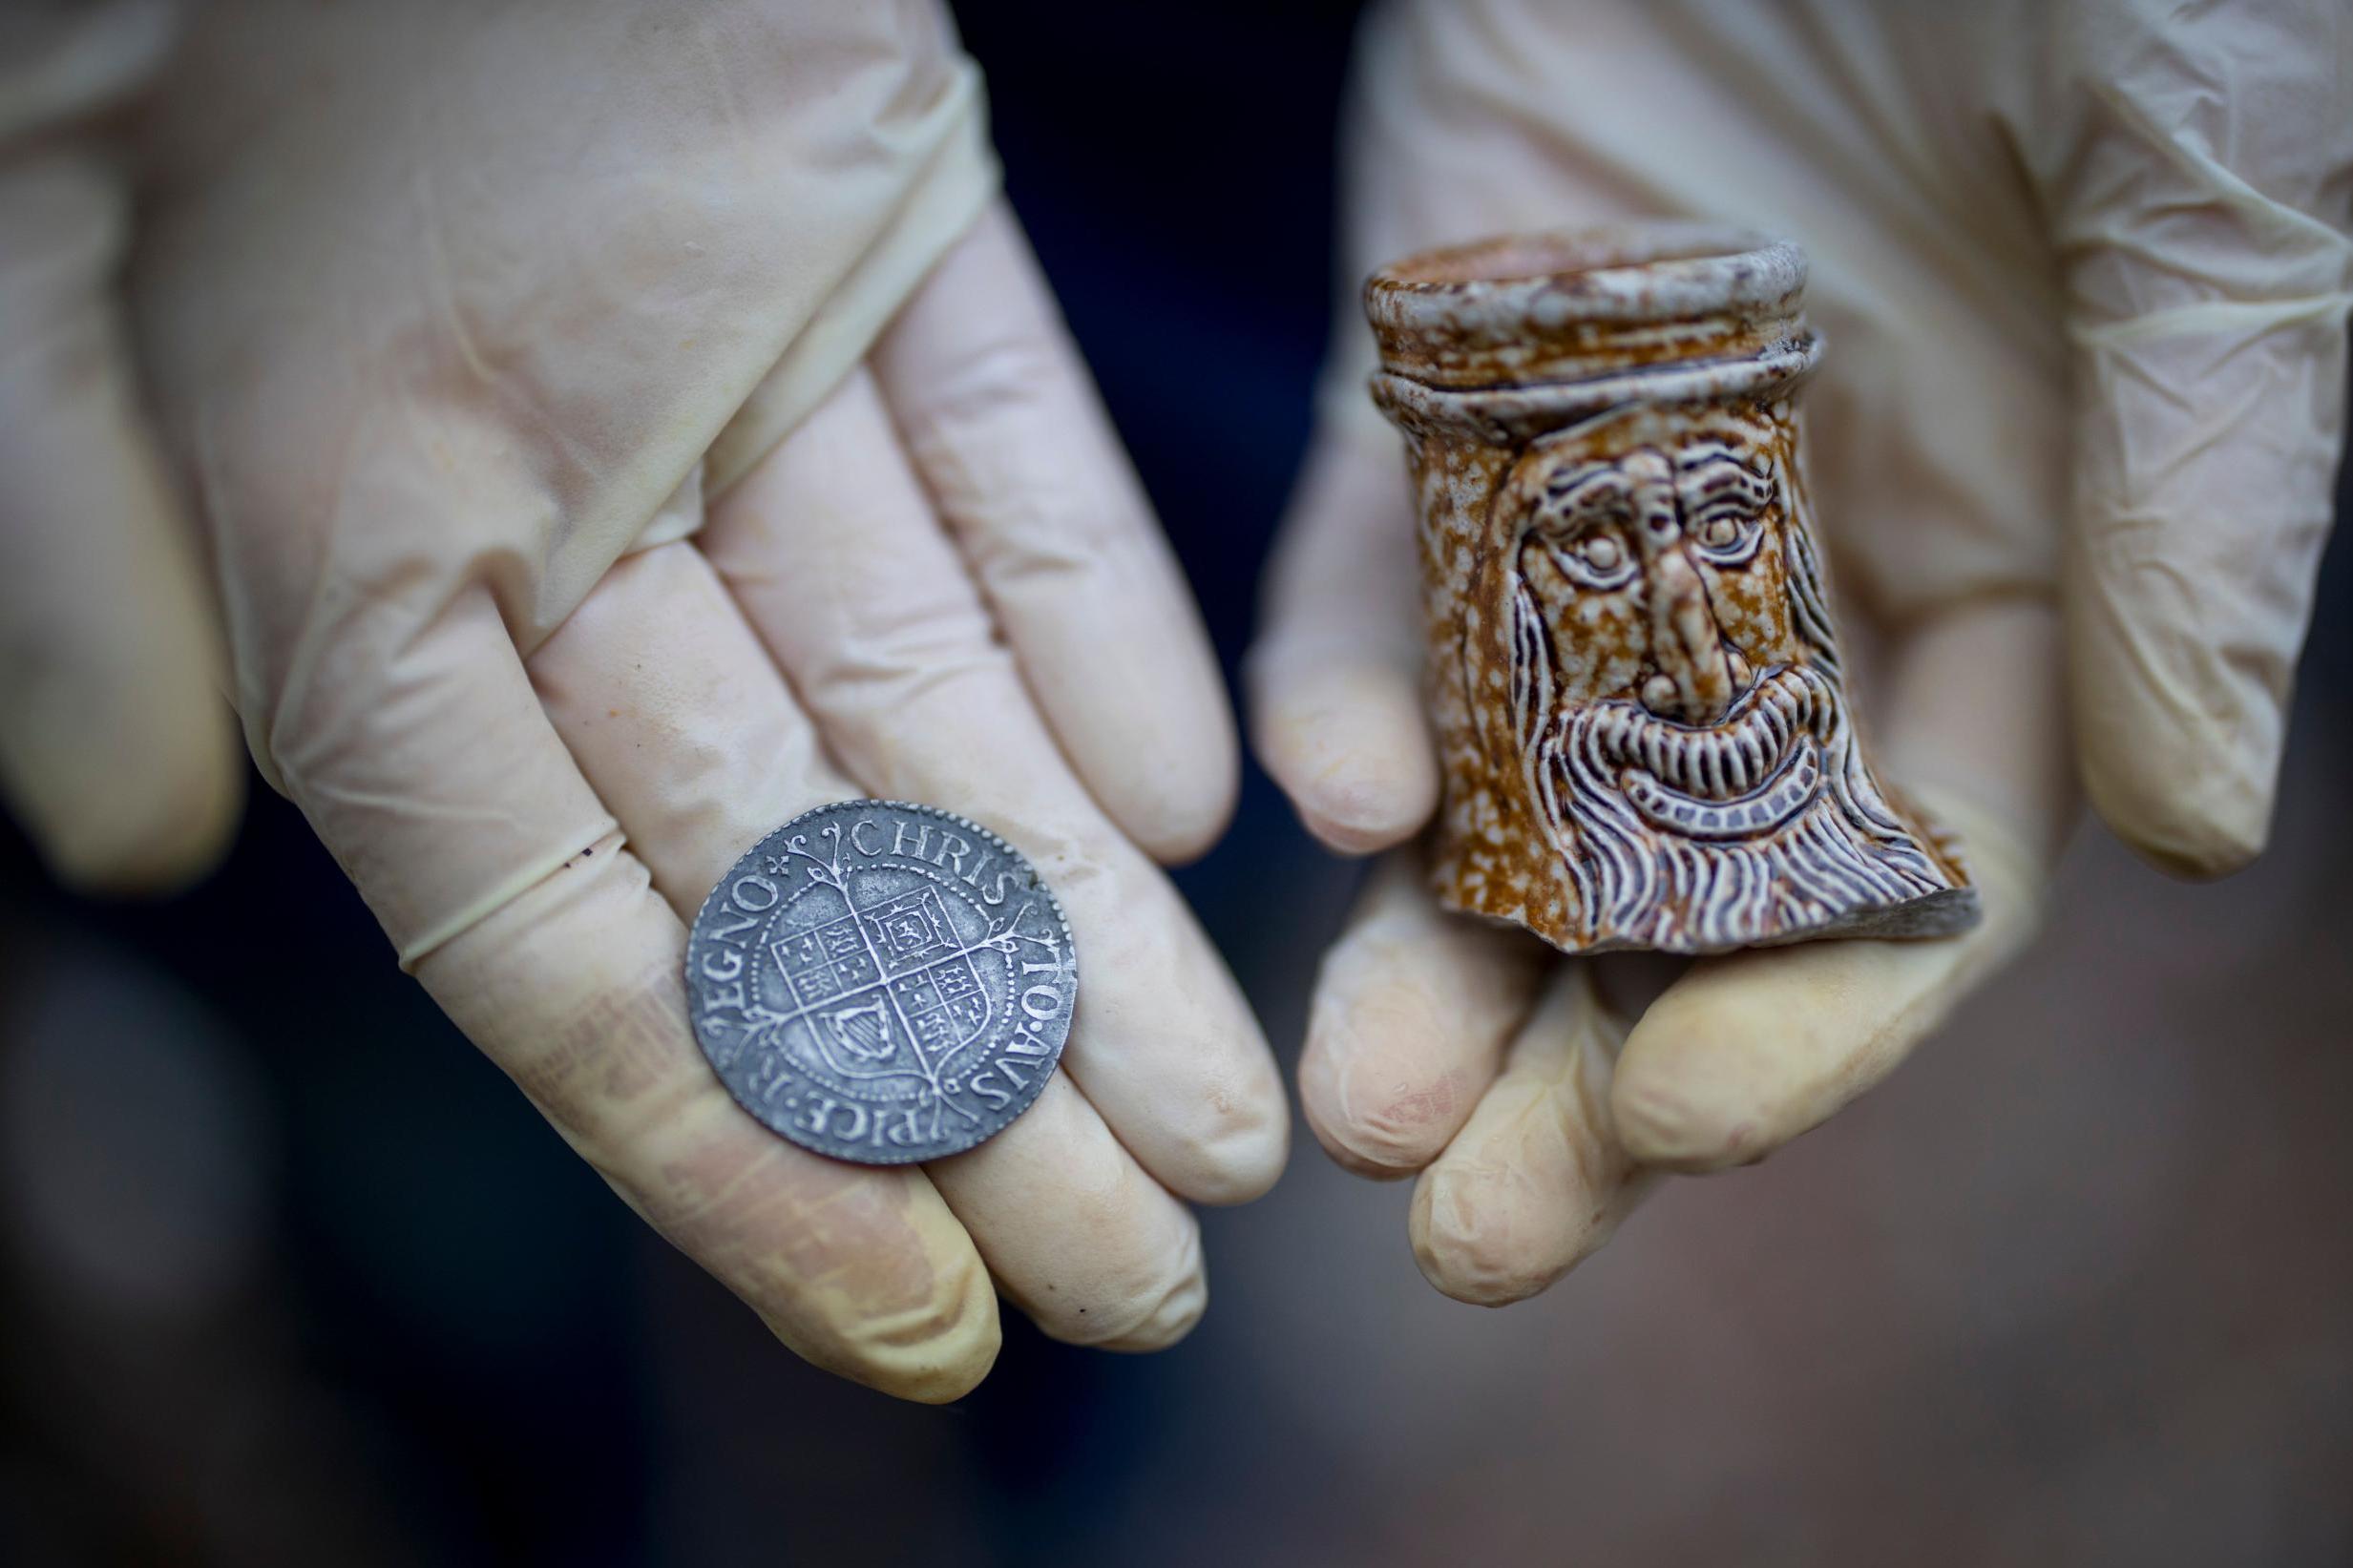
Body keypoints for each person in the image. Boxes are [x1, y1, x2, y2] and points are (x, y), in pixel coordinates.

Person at [1, 0, 2342, 1397]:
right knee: (439, 1116)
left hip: (1259, 200)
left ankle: (1023, 1472)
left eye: (1713, 543)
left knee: (1178, 903)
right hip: (363, 374)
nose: (1699, 629)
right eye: (1630, 552)